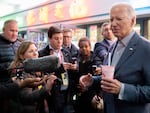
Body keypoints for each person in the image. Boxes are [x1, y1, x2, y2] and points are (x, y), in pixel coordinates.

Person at [79, 2, 150, 113]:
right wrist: (93, 80)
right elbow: (111, 78)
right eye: (111, 20)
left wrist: (122, 90)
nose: (113, 24)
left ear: (133, 21)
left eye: (119, 19)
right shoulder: (113, 47)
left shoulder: (146, 49)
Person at [8, 41, 57, 113]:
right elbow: (26, 97)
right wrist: (46, 87)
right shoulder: (19, 70)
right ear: (22, 56)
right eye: (31, 51)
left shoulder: (38, 69)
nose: (35, 53)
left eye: (36, 50)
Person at [39, 26, 76, 113]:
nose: (59, 41)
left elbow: (72, 71)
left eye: (61, 38)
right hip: (52, 92)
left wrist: (74, 67)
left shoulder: (66, 52)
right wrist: (61, 67)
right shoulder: (42, 54)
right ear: (49, 38)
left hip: (66, 90)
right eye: (56, 38)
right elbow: (43, 73)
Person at [74, 37, 101, 113]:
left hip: (92, 93)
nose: (84, 49)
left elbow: (99, 70)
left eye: (86, 46)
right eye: (81, 47)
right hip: (79, 93)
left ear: (90, 47)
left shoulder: (95, 59)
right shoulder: (77, 59)